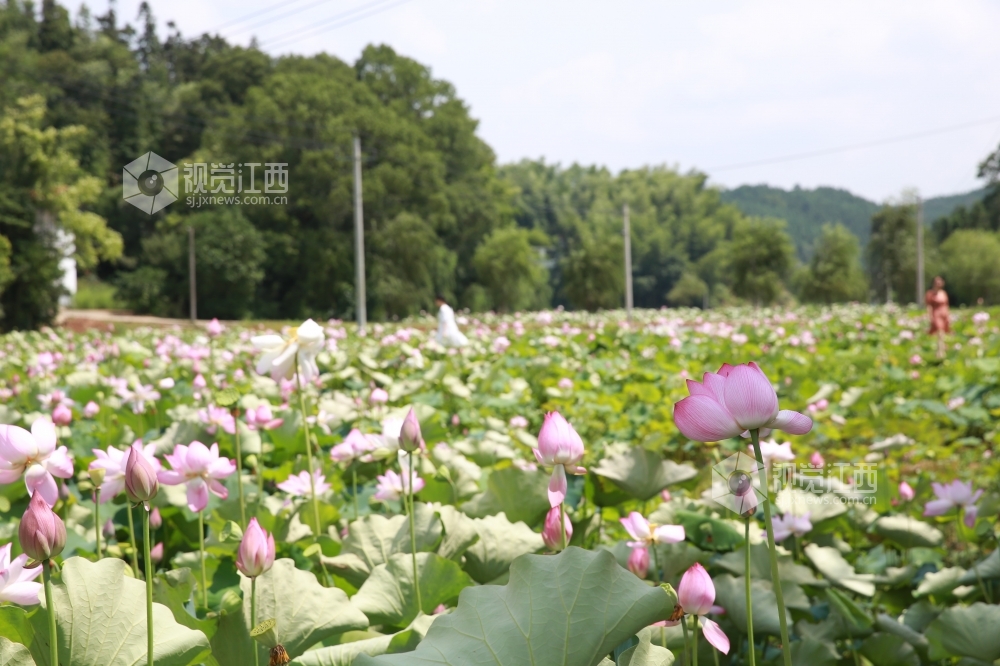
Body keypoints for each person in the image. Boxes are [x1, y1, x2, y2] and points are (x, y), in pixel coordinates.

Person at [925, 275, 950, 358]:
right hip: (936, 314)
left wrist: (948, 316)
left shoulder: (944, 293)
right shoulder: (930, 293)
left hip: (944, 314)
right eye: (937, 282)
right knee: (939, 332)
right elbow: (929, 306)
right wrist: (930, 316)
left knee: (943, 332)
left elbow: (946, 305)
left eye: (940, 282)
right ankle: (940, 352)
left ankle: (941, 350)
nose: (939, 283)